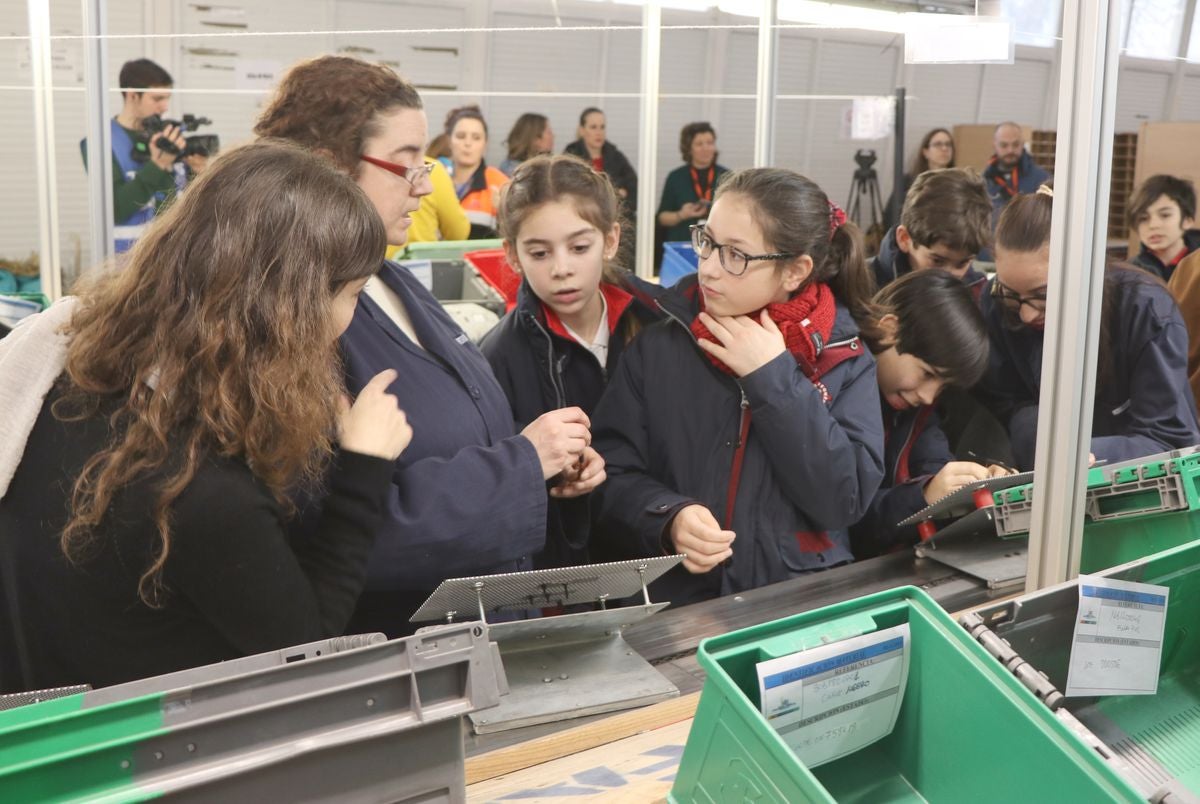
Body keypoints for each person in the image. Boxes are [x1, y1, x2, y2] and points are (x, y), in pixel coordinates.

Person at [0, 141, 413, 691]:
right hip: (148, 752)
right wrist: (365, 466)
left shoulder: (66, 374)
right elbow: (307, 649)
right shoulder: (196, 482)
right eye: (354, 293)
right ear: (293, 310)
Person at [254, 56, 596, 637]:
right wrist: (521, 465)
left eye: (426, 165)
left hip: (481, 626)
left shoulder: (392, 279)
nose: (424, 187)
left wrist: (547, 469)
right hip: (401, 651)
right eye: (406, 166)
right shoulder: (297, 324)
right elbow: (341, 525)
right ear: (328, 166)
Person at [591, 168, 885, 606]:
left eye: (736, 256)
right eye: (707, 242)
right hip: (679, 607)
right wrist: (667, 517)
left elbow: (843, 500)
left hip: (793, 606)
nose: (708, 268)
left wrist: (772, 378)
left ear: (794, 271)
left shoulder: (844, 358)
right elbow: (609, 472)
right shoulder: (660, 345)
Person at [480, 155, 664, 567]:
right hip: (567, 568)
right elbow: (496, 472)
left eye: (580, 247)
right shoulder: (496, 358)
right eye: (540, 253)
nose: (562, 269)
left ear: (611, 240)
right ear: (512, 255)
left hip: (661, 547)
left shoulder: (658, 325)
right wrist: (551, 471)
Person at [978, 187, 1200, 470]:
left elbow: (1169, 440)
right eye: (1011, 294)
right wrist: (1027, 443)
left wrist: (1083, 453)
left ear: (1086, 268)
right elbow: (1003, 403)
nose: (1026, 313)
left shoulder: (1145, 309)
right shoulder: (996, 301)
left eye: (1043, 295)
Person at [848, 270, 1007, 559]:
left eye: (942, 386)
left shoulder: (916, 409)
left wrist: (968, 485)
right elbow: (845, 521)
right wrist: (923, 496)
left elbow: (933, 465)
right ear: (888, 329)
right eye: (926, 374)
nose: (928, 396)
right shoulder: (836, 400)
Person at [79, 59, 187, 253]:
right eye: (157, 99)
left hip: (167, 258)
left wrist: (198, 170)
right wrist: (158, 165)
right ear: (132, 95)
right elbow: (115, 210)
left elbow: (179, 200)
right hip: (123, 266)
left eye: (166, 98)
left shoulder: (167, 137)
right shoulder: (99, 143)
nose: (164, 107)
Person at [871, 168, 992, 301]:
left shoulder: (978, 292)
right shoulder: (859, 289)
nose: (949, 276)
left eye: (962, 264)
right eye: (937, 261)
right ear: (904, 239)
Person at [441, 105, 510, 239]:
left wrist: (504, 213)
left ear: (485, 143)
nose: (468, 143)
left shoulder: (500, 183)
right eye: (461, 136)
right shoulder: (434, 180)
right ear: (449, 141)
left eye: (476, 137)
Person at [656, 122, 731, 245]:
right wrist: (681, 215)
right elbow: (662, 218)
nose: (706, 148)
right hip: (682, 244)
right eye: (699, 144)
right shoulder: (676, 177)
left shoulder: (727, 176)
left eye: (710, 143)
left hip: (716, 244)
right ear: (688, 148)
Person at [385, 157, 469, 257]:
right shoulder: (435, 171)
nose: (427, 188)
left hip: (372, 264)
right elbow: (458, 232)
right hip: (421, 264)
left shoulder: (372, 167)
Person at [564, 108, 637, 213]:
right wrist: (616, 193)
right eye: (593, 127)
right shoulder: (571, 155)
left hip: (614, 216)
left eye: (602, 127)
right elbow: (569, 191)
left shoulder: (615, 156)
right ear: (582, 130)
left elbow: (633, 190)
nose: (599, 132)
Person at [1128, 174, 1199, 282]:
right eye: (1143, 218)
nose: (1153, 225)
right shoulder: (1129, 272)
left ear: (1187, 220)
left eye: (1165, 215)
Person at [884, 127, 955, 229]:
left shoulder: (958, 184)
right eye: (938, 144)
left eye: (948, 144)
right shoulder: (908, 181)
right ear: (925, 152)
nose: (944, 148)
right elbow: (891, 215)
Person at [983, 122, 1050, 220]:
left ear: (1023, 144)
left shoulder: (1043, 181)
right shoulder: (984, 182)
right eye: (1004, 145)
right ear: (994, 145)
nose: (1010, 150)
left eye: (1015, 144)